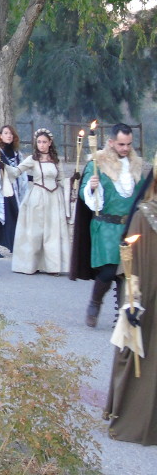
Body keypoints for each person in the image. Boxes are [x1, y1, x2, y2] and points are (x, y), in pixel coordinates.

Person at [103, 167, 157, 446]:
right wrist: (133, 301)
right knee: (137, 351)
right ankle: (133, 419)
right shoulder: (144, 215)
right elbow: (132, 266)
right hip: (146, 298)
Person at [77, 123, 146, 327]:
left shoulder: (137, 165)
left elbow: (142, 195)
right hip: (105, 225)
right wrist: (91, 187)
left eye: (129, 144)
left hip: (129, 226)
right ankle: (95, 302)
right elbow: (84, 194)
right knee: (109, 270)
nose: (125, 148)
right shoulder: (97, 164)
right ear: (111, 142)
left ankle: (122, 315)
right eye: (121, 144)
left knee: (126, 272)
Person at [1, 128, 70, 274]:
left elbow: (62, 180)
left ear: (50, 143)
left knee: (53, 232)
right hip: (37, 197)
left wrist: (73, 182)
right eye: (39, 142)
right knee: (35, 232)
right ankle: (30, 264)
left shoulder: (56, 161)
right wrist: (4, 166)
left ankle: (53, 266)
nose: (42, 145)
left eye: (44, 142)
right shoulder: (32, 159)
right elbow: (16, 171)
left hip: (54, 198)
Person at [0, 124, 28, 258]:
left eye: (10, 133)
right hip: (2, 192)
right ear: (1, 136)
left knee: (14, 218)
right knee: (4, 219)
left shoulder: (18, 155)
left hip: (15, 191)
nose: (9, 135)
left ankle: (2, 245)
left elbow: (21, 173)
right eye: (6, 133)